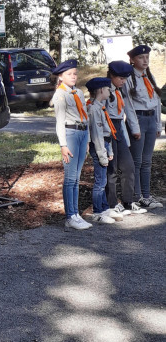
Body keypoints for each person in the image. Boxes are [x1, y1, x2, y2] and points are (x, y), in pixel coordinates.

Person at [50, 59, 92, 231]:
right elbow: (59, 122)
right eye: (69, 74)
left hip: (82, 133)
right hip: (70, 134)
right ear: (61, 77)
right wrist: (63, 145)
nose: (73, 76)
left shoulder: (79, 93)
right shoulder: (60, 95)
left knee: (77, 177)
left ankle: (76, 214)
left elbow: (86, 117)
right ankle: (70, 216)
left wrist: (88, 139)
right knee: (70, 178)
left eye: (75, 73)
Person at [105, 61, 146, 216]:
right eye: (120, 78)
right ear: (112, 76)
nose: (123, 81)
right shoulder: (105, 90)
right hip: (109, 129)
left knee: (128, 166)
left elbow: (124, 112)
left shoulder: (120, 90)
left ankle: (128, 202)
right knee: (112, 168)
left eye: (125, 78)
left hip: (119, 127)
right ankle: (112, 204)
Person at [126, 45, 164, 209]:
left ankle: (146, 196)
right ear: (133, 60)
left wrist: (157, 124)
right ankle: (136, 196)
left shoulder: (149, 77)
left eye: (147, 57)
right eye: (141, 57)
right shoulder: (129, 78)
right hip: (138, 120)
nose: (145, 60)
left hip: (150, 120)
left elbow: (156, 102)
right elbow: (128, 105)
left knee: (147, 161)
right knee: (137, 161)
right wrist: (134, 128)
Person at [86, 77, 120, 224]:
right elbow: (97, 135)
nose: (109, 91)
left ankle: (105, 208)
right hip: (99, 146)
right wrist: (102, 155)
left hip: (105, 144)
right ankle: (97, 211)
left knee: (104, 179)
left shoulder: (100, 106)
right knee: (100, 181)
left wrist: (110, 150)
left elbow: (108, 133)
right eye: (107, 89)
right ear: (101, 90)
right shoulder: (94, 109)